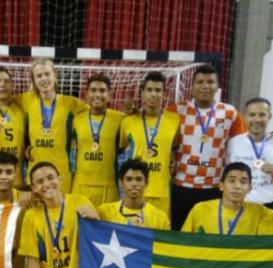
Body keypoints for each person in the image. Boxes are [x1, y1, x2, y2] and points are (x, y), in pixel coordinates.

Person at [168, 64, 248, 230]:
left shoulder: (230, 113)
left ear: (218, 86)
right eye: (200, 82)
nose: (205, 86)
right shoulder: (176, 110)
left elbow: (248, 141)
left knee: (209, 232)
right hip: (182, 186)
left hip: (213, 187)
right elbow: (152, 126)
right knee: (179, 232)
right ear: (192, 87)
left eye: (210, 82)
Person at [16, 58, 88, 193]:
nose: (43, 79)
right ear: (34, 81)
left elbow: (95, 114)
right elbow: (1, 102)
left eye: (47, 74)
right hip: (35, 170)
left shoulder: (71, 103)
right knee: (36, 211)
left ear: (55, 75)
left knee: (60, 211)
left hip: (61, 172)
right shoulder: (26, 100)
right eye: (39, 76)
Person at [120, 72, 180, 217]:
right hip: (135, 192)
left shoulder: (175, 121)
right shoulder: (128, 122)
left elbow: (175, 147)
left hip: (162, 192)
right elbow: (121, 151)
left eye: (158, 90)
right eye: (149, 90)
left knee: (159, 237)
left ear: (164, 94)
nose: (154, 94)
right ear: (142, 93)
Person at [226, 97, 273, 210]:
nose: (257, 119)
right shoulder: (234, 143)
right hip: (238, 205)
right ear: (245, 116)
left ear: (269, 116)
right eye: (252, 115)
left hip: (270, 206)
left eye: (262, 115)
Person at [71, 74, 124, 206]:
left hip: (109, 186)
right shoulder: (76, 119)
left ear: (109, 95)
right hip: (80, 185)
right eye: (93, 90)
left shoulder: (121, 119)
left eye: (102, 90)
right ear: (86, 94)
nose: (97, 94)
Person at [181, 162, 267, 235]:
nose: (237, 187)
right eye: (232, 181)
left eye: (243, 182)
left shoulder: (259, 213)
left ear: (249, 189)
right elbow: (183, 242)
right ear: (221, 185)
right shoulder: (200, 209)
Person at [97, 158, 170, 230]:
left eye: (139, 179)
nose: (134, 184)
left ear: (146, 182)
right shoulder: (103, 212)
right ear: (121, 182)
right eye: (129, 179)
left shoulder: (161, 219)